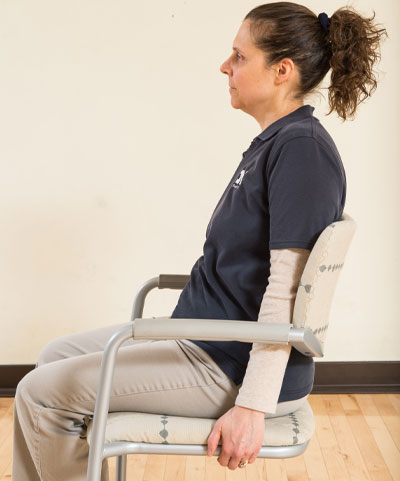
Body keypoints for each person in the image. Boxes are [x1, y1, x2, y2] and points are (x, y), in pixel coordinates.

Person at [12, 2, 387, 479]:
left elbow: (286, 294)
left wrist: (252, 406)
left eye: (239, 56)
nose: (225, 67)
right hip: (203, 340)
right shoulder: (276, 143)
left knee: (40, 393)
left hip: (226, 364)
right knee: (53, 358)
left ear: (281, 71)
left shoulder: (302, 152)